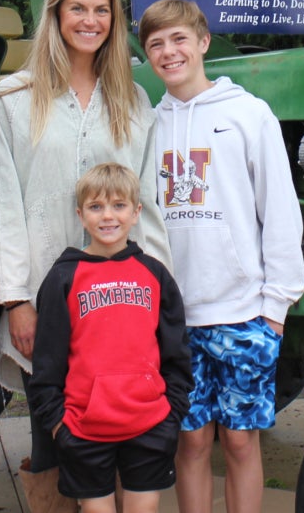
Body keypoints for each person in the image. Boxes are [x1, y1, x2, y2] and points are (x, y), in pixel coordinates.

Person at [0, 0, 172, 507]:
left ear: (113, 22)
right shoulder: (14, 100)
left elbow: (150, 203)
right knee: (53, 430)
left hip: (122, 302)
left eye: (101, 11)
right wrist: (17, 299)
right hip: (48, 294)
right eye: (78, 9)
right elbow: (5, 204)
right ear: (56, 15)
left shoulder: (133, 102)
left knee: (123, 427)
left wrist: (159, 293)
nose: (90, 20)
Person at [138, 0, 304, 513]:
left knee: (238, 442)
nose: (169, 52)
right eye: (156, 44)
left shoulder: (248, 115)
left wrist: (274, 310)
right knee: (190, 443)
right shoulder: (148, 126)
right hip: (176, 320)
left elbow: (279, 211)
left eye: (179, 39)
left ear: (203, 42)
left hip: (243, 315)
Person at [27, 163, 192, 513]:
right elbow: (47, 362)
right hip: (84, 427)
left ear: (136, 212)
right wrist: (60, 424)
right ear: (80, 214)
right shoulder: (64, 278)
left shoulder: (154, 275)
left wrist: (171, 414)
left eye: (119, 205)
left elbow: (176, 353)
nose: (108, 216)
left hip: (149, 423)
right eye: (96, 206)